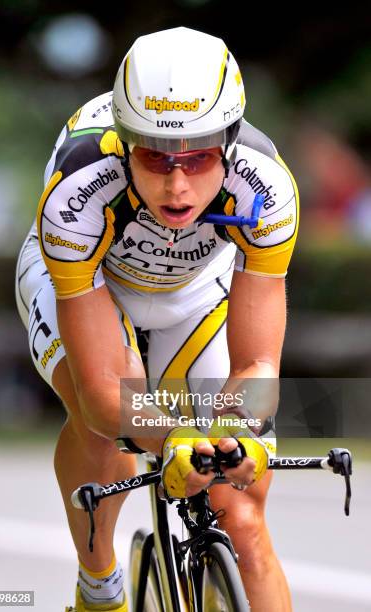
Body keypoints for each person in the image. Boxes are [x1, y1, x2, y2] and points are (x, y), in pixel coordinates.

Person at [15, 26, 298, 612]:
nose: (176, 184)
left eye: (198, 159)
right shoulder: (78, 189)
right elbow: (101, 393)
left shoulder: (266, 189)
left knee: (241, 512)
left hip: (195, 296)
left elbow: (257, 364)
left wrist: (231, 433)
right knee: (104, 433)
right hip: (92, 288)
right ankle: (99, 586)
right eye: (155, 157)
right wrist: (173, 434)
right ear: (123, 142)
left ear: (230, 143)